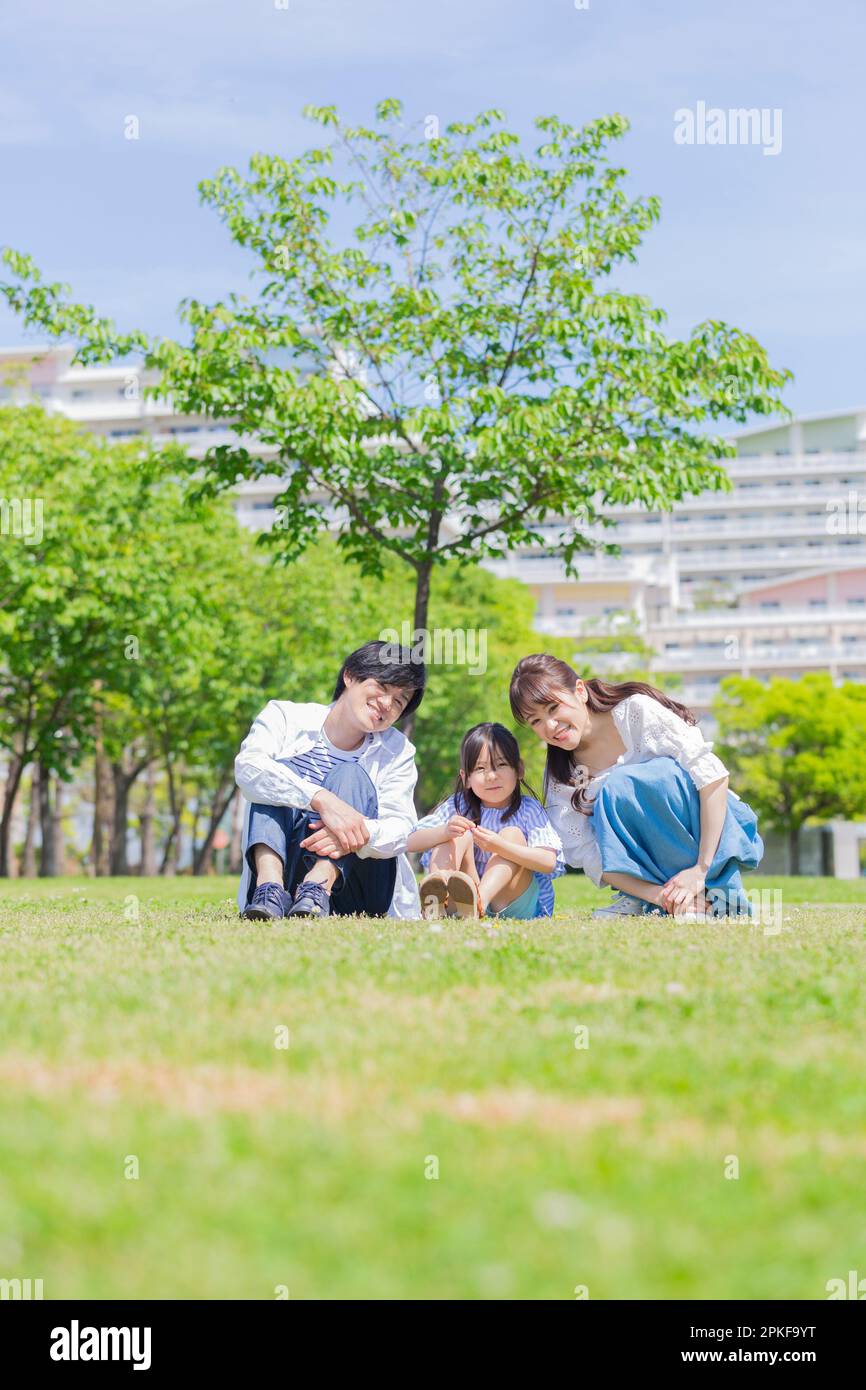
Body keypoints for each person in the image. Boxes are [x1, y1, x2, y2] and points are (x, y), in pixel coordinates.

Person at [509, 653, 763, 921]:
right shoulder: (562, 774)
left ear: (580, 691)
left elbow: (712, 775)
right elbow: (587, 854)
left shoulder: (636, 712)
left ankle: (714, 892)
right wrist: (658, 895)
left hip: (711, 832)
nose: (550, 726)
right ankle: (657, 901)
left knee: (622, 785)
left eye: (553, 708)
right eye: (535, 721)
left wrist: (700, 869)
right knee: (609, 797)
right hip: (655, 875)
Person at [235, 641, 425, 920]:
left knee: (350, 775)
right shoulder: (285, 717)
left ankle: (317, 886)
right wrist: (323, 801)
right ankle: (270, 890)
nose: (386, 703)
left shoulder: (397, 750)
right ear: (350, 676)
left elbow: (402, 829)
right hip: (286, 871)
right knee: (273, 777)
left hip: (357, 889)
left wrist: (353, 834)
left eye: (399, 700)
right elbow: (248, 768)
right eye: (382, 687)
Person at [408, 721, 564, 921]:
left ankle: (478, 901)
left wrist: (500, 846)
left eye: (501, 765)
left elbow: (548, 862)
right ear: (466, 778)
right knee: (455, 832)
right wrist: (445, 832)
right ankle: (439, 895)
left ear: (519, 770)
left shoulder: (528, 809)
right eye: (480, 768)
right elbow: (411, 842)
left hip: (512, 901)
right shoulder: (457, 806)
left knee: (511, 834)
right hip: (465, 898)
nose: (491, 776)